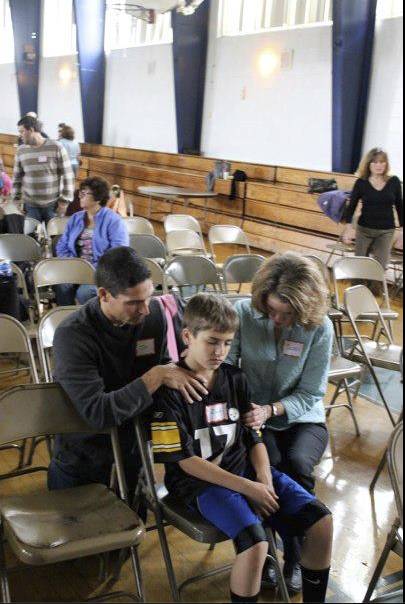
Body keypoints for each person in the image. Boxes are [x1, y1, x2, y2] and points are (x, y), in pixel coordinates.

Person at [152, 293, 333, 604]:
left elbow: (254, 438)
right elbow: (185, 462)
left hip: (246, 473)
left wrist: (263, 478)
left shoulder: (235, 379)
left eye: (227, 342)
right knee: (256, 545)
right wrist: (248, 487)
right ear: (187, 336)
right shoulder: (169, 392)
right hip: (199, 485)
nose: (220, 351)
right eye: (212, 341)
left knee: (321, 523)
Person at [48, 246, 209, 494]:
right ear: (103, 295)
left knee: (134, 523)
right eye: (133, 302)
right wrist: (155, 375)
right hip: (84, 455)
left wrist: (187, 367)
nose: (145, 309)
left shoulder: (153, 315)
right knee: (82, 531)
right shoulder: (73, 335)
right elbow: (98, 412)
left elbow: (165, 369)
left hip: (134, 447)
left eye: (148, 296)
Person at [227, 252, 334, 593]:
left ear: (304, 308)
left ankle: (296, 556)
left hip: (301, 416)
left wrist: (272, 409)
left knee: (299, 464)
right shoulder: (244, 313)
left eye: (287, 314)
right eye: (271, 310)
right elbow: (226, 369)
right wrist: (248, 408)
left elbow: (312, 392)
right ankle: (269, 552)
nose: (277, 319)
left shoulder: (320, 327)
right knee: (269, 469)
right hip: (252, 415)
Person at [55, 176, 129, 305]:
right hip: (75, 268)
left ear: (98, 197)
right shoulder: (75, 218)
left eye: (85, 193)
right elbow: (62, 245)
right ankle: (68, 319)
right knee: (61, 284)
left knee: (85, 292)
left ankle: (91, 321)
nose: (80, 196)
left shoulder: (114, 220)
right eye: (80, 193)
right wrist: (71, 264)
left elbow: (118, 253)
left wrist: (90, 269)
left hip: (102, 271)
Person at [342, 148, 403, 272]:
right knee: (360, 266)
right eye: (375, 162)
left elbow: (400, 206)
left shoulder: (394, 181)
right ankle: (358, 289)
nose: (379, 165)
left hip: (386, 232)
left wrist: (402, 232)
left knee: (380, 267)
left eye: (382, 162)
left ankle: (376, 291)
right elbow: (351, 207)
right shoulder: (361, 183)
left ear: (386, 164)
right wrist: (348, 229)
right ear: (368, 164)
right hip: (364, 230)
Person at [13, 115, 74, 223]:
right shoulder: (20, 151)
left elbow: (68, 176)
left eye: (22, 131)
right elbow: (17, 177)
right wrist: (16, 199)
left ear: (31, 130)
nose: (20, 136)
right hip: (30, 206)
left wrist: (64, 202)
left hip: (53, 205)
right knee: (30, 238)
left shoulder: (56, 147)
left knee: (53, 237)